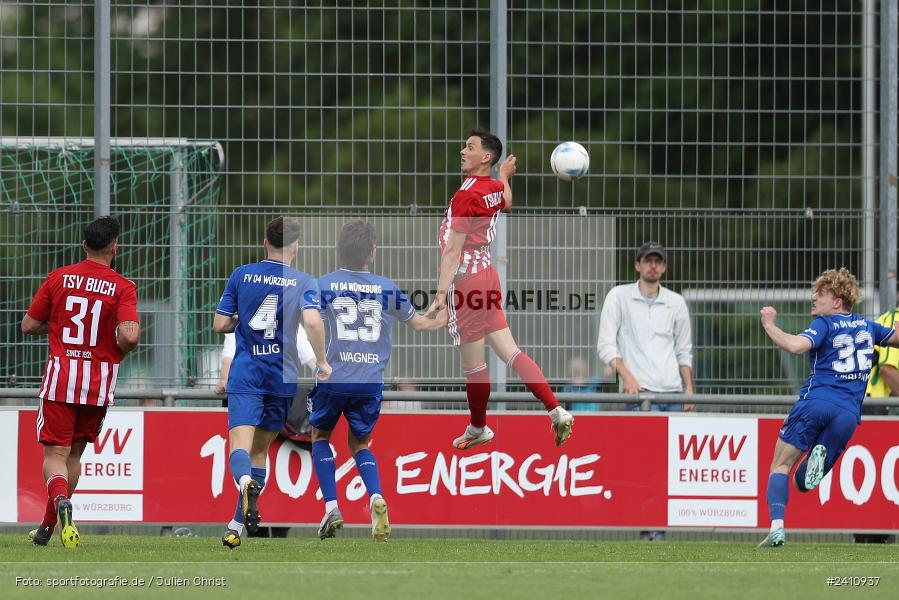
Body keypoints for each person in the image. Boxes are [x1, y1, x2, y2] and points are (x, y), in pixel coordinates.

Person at [424, 129, 574, 450]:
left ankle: (479, 426)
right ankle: (555, 409)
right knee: (511, 352)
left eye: (470, 147)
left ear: (486, 157)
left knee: (474, 366)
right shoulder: (492, 186)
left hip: (467, 284)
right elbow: (506, 202)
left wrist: (440, 295)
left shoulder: (466, 195)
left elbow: (453, 251)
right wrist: (505, 176)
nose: (463, 151)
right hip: (488, 275)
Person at [311, 220, 446, 541]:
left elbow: (311, 322)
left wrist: (319, 360)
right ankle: (376, 497)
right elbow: (421, 325)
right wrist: (444, 313)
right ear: (371, 252)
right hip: (371, 380)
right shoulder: (386, 287)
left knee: (319, 436)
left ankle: (331, 506)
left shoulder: (323, 284)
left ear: (340, 250)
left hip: (335, 376)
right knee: (359, 444)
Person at [757, 268, 899, 548]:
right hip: (848, 415)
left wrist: (770, 325)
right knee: (802, 483)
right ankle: (815, 459)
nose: (813, 298)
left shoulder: (825, 324)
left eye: (821, 294)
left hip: (817, 403)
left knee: (780, 465)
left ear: (837, 302)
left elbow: (797, 346)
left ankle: (776, 526)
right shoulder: (868, 327)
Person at [21, 216, 140, 548]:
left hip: (62, 380)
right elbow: (130, 335)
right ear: (115, 247)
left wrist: (56, 326)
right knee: (74, 455)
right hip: (97, 384)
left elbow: (29, 325)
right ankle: (46, 528)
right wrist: (118, 346)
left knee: (54, 456)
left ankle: (60, 505)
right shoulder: (122, 286)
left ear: (85, 245)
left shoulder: (59, 277)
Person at [213, 216, 330, 549]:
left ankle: (244, 482)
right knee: (261, 452)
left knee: (240, 447)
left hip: (247, 372)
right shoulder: (304, 281)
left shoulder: (241, 274)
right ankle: (236, 526)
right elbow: (311, 321)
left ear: (265, 243)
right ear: (297, 246)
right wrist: (322, 361)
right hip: (282, 377)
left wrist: (242, 322)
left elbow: (220, 323)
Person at [596, 241, 693, 542]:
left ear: (664, 267)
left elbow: (683, 349)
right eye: (648, 260)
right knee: (642, 465)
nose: (653, 266)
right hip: (640, 395)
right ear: (637, 264)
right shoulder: (619, 296)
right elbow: (606, 345)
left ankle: (657, 528)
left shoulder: (676, 302)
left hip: (672, 394)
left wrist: (689, 387)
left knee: (666, 468)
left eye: (658, 261)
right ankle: (647, 528)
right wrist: (627, 376)